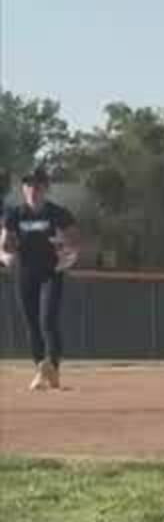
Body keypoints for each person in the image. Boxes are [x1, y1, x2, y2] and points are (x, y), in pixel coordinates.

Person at [1, 167, 79, 391]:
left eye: (37, 185)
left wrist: (69, 256)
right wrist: (6, 257)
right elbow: (4, 245)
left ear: (46, 188)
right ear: (23, 189)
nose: (32, 189)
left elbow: (74, 243)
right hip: (25, 275)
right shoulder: (14, 214)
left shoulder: (58, 213)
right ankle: (40, 370)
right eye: (28, 185)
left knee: (48, 320)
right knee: (32, 324)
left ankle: (52, 367)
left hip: (50, 274)